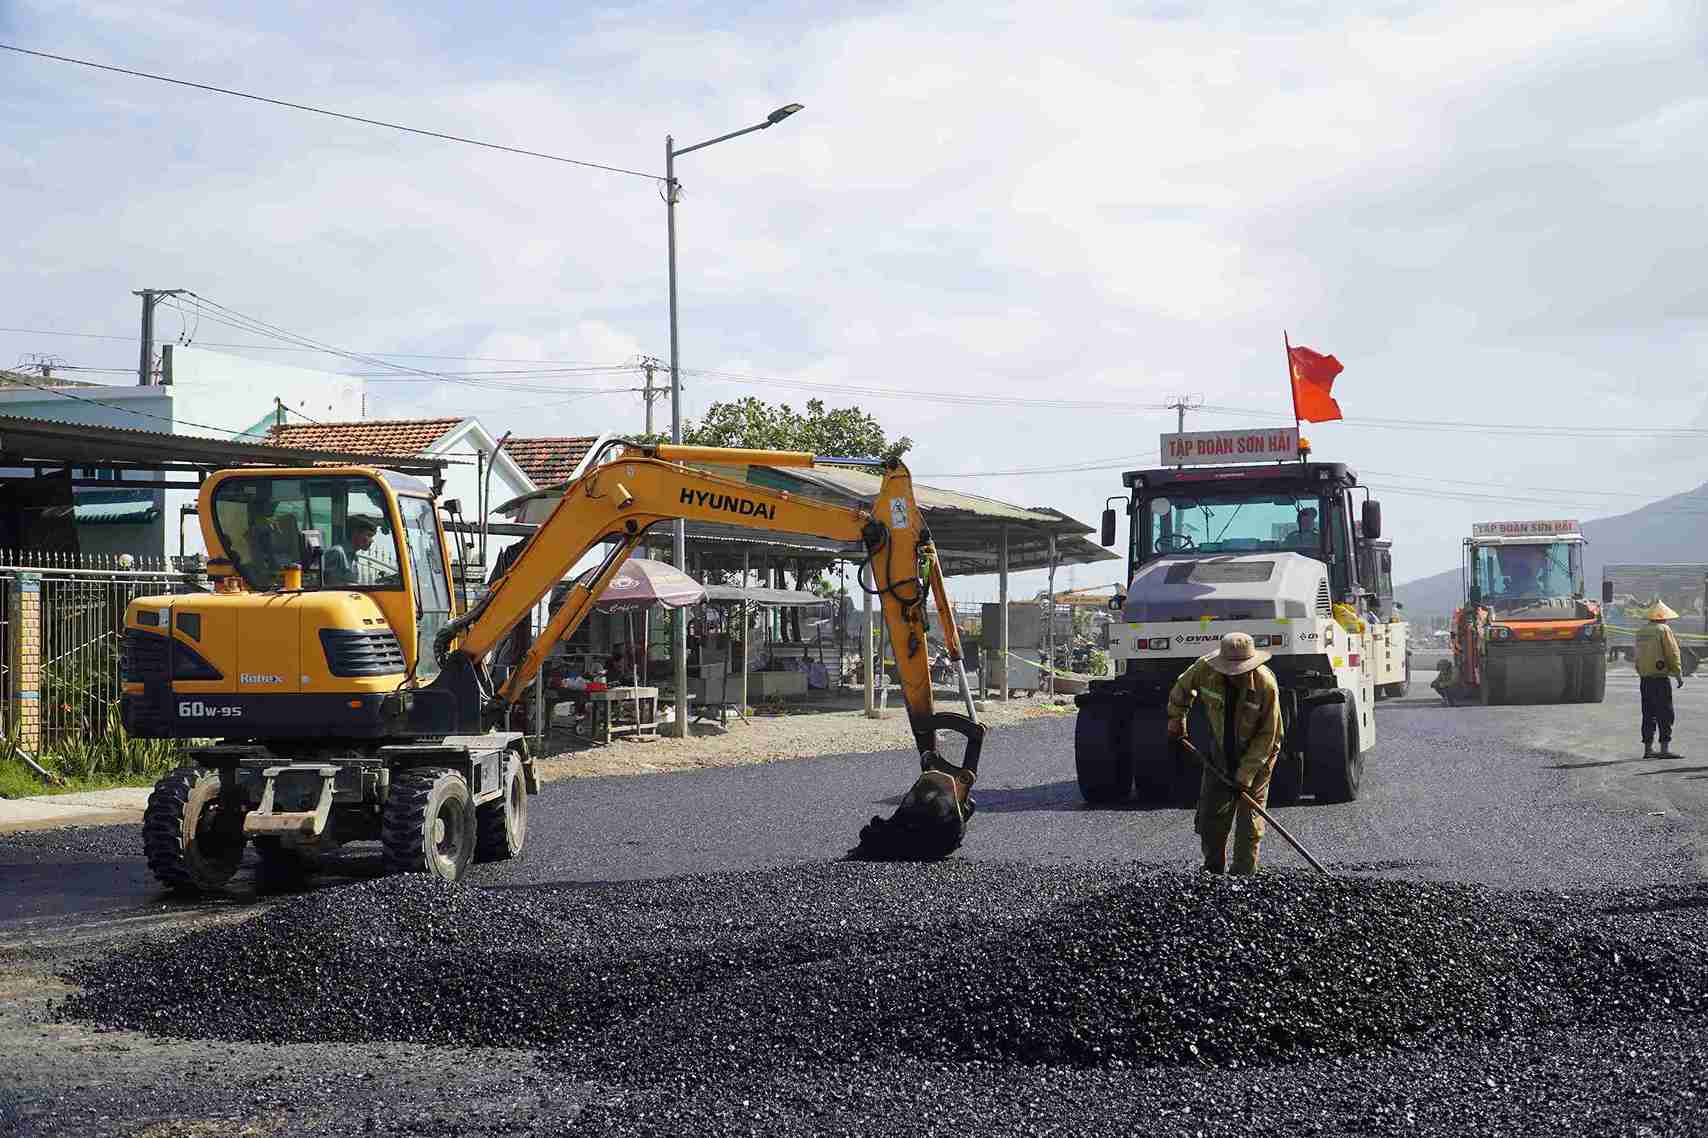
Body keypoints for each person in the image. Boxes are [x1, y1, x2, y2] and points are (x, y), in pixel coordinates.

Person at [1165, 631, 1283, 875]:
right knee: (1210, 817)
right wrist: (1177, 717)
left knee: (1248, 824)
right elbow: (1182, 688)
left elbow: (1268, 736)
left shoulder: (1265, 685)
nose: (1234, 673)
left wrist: (1245, 774)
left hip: (1258, 758)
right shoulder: (1204, 669)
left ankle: (1244, 875)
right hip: (1219, 753)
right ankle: (1213, 871)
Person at [1636, 600, 1684, 759]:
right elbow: (1673, 653)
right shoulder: (1664, 630)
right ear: (1663, 617)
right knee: (1665, 713)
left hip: (1645, 679)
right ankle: (1664, 749)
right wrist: (1678, 674)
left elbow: (1637, 656)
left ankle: (1648, 749)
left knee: (1648, 713)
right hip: (1660, 679)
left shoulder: (1641, 631)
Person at [323, 516, 378, 586]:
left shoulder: (353, 557)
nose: (372, 541)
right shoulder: (337, 552)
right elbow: (330, 585)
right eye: (369, 535)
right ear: (356, 533)